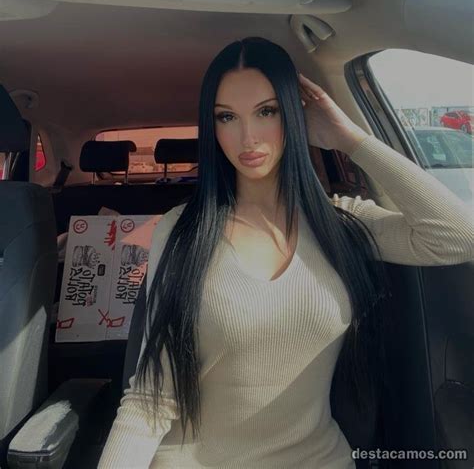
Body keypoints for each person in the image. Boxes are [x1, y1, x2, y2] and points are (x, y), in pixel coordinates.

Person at [98, 37, 473, 468]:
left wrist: (348, 138)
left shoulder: (340, 223)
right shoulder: (182, 231)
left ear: (293, 114)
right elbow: (150, 399)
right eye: (227, 117)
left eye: (267, 111)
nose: (248, 137)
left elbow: (457, 236)